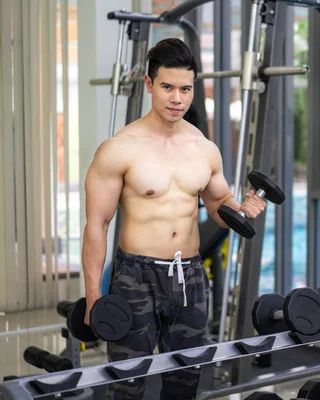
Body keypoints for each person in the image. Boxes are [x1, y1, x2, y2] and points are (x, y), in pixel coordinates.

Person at [81, 37, 267, 399]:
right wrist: (93, 299)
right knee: (127, 381)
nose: (177, 99)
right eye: (167, 87)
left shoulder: (204, 149)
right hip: (136, 276)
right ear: (149, 84)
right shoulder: (119, 148)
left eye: (186, 89)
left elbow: (220, 206)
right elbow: (97, 226)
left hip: (190, 277)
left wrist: (243, 209)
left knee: (185, 380)